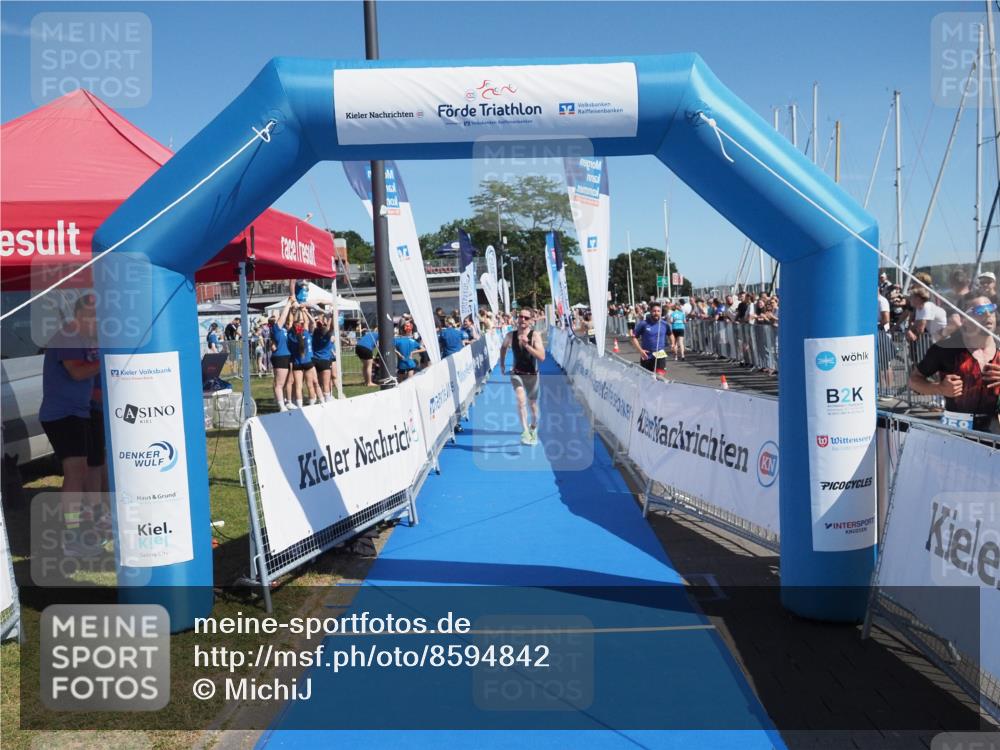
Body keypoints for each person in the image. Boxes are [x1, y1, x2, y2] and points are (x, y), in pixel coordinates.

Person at [39, 294, 102, 557]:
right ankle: (72, 537)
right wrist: (109, 358)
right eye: (91, 315)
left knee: (84, 472)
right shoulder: (68, 336)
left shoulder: (84, 339)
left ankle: (84, 529)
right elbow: (77, 372)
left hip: (79, 413)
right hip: (62, 415)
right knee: (75, 473)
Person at [910, 294, 1000, 433]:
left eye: (991, 308)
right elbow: (914, 380)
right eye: (979, 311)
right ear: (964, 319)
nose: (988, 314)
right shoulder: (945, 349)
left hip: (995, 429)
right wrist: (939, 388)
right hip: (958, 431)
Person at [500, 308, 546, 445]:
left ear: (531, 321)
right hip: (516, 373)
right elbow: (503, 348)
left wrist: (527, 345)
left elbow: (542, 357)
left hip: (532, 374)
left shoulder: (535, 335)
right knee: (521, 400)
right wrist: (502, 364)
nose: (523, 320)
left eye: (526, 318)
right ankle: (525, 431)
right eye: (521, 317)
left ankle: (533, 427)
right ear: (517, 319)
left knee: (532, 405)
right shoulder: (510, 335)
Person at [631, 301, 671, 374]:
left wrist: (673, 344)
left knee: (660, 377)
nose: (656, 313)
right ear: (650, 312)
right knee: (647, 379)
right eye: (654, 311)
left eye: (658, 311)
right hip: (647, 355)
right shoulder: (643, 324)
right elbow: (633, 338)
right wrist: (640, 351)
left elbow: (670, 334)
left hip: (660, 354)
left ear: (661, 312)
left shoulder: (664, 324)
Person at [269, 298, 295, 411]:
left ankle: (285, 402)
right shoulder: (276, 328)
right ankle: (281, 406)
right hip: (280, 357)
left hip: (285, 356)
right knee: (279, 384)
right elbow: (283, 316)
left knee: (286, 382)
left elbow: (288, 319)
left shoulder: (282, 329)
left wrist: (292, 309)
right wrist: (288, 303)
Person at [312, 312, 337, 402]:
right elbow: (332, 327)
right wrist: (333, 316)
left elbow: (314, 326)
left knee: (317, 382)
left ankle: (320, 399)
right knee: (326, 383)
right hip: (325, 361)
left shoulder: (314, 335)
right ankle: (327, 398)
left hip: (314, 360)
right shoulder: (327, 337)